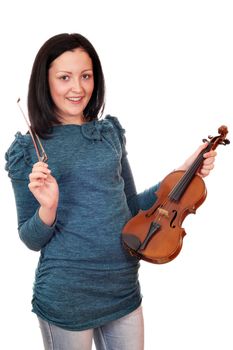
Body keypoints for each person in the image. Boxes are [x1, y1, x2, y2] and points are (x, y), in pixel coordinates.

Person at [5, 33, 217, 350]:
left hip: (122, 288)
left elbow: (131, 207)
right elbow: (30, 238)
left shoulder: (108, 133)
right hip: (68, 296)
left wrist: (182, 174)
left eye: (86, 76)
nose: (78, 88)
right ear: (44, 82)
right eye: (64, 77)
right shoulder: (28, 150)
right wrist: (48, 210)